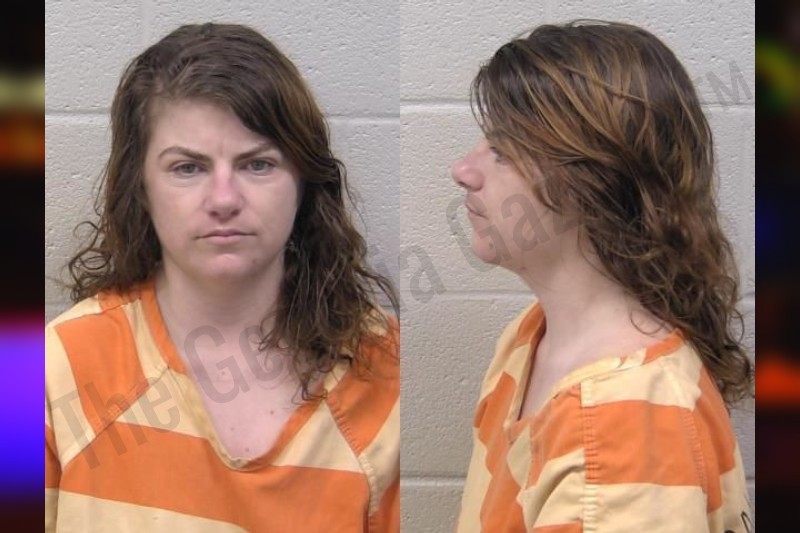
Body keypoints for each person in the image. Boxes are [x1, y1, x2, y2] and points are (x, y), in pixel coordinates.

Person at [45, 23, 399, 532]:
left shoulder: (387, 370)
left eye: (258, 165)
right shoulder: (46, 371)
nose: (225, 200)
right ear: (140, 186)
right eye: (188, 168)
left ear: (304, 182)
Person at [451, 21, 753, 532]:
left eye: (501, 151)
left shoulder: (619, 433)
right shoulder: (532, 335)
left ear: (591, 181)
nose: (463, 170)